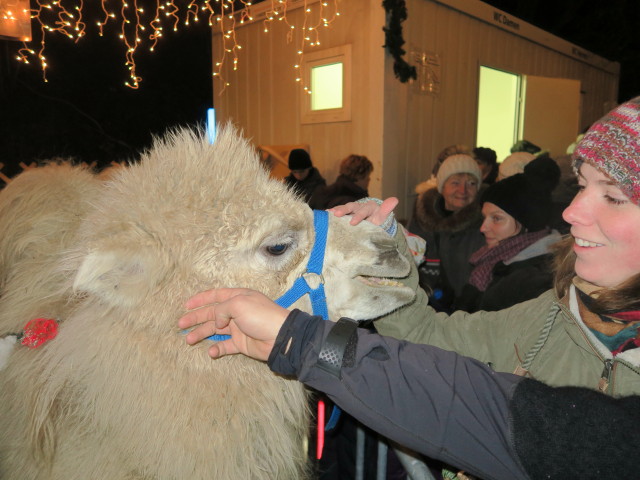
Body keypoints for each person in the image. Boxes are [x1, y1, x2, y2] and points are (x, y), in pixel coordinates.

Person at [177, 288, 639, 480]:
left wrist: (305, 340)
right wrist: (390, 261)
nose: (571, 211)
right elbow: (441, 349)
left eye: (613, 197)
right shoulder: (550, 312)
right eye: (580, 186)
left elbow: (493, 417)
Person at [455, 154, 562, 312]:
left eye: (497, 218)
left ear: (527, 224)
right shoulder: (496, 261)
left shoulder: (533, 279)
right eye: (485, 217)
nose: (483, 228)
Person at [407, 154, 484, 311]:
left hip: (468, 308)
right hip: (423, 303)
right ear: (442, 187)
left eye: (471, 183)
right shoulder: (422, 217)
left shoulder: (484, 223)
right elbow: (409, 258)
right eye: (455, 182)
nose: (463, 190)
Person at [309, 154, 373, 210]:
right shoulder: (352, 202)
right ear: (358, 176)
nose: (369, 180)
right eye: (367, 176)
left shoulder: (322, 192)